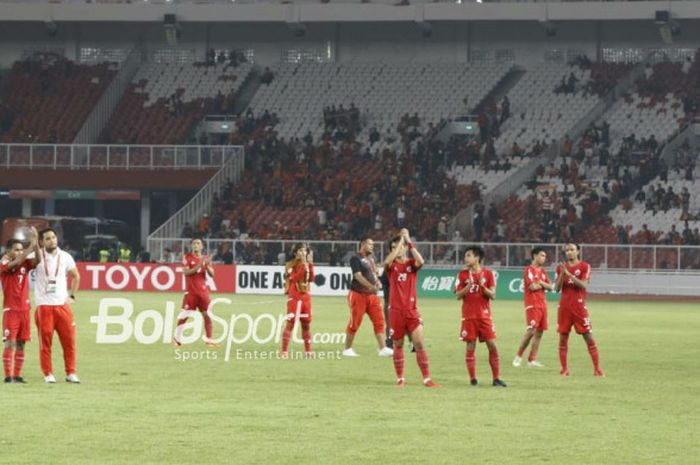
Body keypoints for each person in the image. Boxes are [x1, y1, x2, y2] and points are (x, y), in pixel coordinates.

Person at [384, 228, 438, 388]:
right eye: (393, 248)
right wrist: (400, 241)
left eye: (399, 247)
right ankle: (400, 378)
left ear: (406, 248)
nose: (397, 250)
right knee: (398, 345)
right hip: (395, 312)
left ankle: (427, 379)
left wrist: (408, 241)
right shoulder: (391, 267)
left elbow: (421, 261)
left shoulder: (410, 265)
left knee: (419, 344)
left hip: (411, 311)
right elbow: (386, 262)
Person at [454, 246, 506, 387]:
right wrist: (468, 286)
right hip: (469, 316)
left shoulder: (488, 274)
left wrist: (483, 286)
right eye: (466, 256)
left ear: (477, 258)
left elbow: (493, 295)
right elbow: (458, 295)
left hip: (484, 317)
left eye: (468, 255)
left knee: (493, 346)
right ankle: (473, 379)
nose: (466, 258)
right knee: (470, 347)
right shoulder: (462, 275)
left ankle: (496, 378)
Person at [34, 228, 81, 384]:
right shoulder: (37, 256)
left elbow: (76, 276)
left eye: (53, 237)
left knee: (69, 342)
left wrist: (72, 295)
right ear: (41, 242)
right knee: (45, 343)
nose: (52, 240)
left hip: (62, 306)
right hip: (44, 306)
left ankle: (71, 373)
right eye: (47, 238)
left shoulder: (66, 257)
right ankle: (48, 373)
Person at [554, 243, 603, 377]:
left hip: (579, 308)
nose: (569, 252)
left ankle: (597, 369)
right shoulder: (560, 268)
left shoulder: (584, 266)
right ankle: (564, 369)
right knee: (563, 338)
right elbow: (557, 288)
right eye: (567, 250)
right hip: (564, 308)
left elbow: (583, 284)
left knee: (588, 337)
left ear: (578, 252)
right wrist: (562, 274)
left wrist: (569, 274)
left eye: (572, 250)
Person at [342, 237, 393, 357]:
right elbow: (358, 276)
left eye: (373, 244)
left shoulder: (371, 259)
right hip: (358, 295)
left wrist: (378, 282)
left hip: (372, 296)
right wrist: (371, 286)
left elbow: (374, 274)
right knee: (355, 322)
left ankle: (383, 348)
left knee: (379, 321)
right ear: (363, 244)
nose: (372, 246)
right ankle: (347, 349)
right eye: (370, 244)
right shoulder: (356, 258)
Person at [1, 231, 38, 383]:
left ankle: (17, 375)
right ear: (8, 251)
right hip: (11, 310)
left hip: (25, 310)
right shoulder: (3, 263)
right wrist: (32, 245)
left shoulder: (24, 263)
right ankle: (7, 376)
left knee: (22, 343)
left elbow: (37, 262)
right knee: (10, 342)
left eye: (21, 249)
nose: (20, 252)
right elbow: (15, 263)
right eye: (16, 249)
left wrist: (36, 245)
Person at [173, 238, 219, 349]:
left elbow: (212, 274)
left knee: (207, 316)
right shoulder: (187, 257)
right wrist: (199, 265)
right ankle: (177, 338)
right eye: (194, 243)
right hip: (191, 293)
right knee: (185, 315)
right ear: (191, 245)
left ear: (202, 246)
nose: (196, 245)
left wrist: (207, 265)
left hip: (203, 293)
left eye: (198, 243)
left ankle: (209, 340)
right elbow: (186, 272)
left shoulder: (206, 259)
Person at [513, 247, 552, 368]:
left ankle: (531, 360)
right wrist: (541, 284)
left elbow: (550, 287)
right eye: (541, 255)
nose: (543, 258)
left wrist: (539, 282)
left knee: (539, 333)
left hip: (542, 304)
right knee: (531, 331)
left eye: (545, 256)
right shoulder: (529, 270)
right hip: (532, 304)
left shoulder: (543, 272)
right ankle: (518, 356)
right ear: (534, 256)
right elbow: (532, 287)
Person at [281, 243, 314, 358]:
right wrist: (305, 266)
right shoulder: (289, 265)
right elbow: (295, 278)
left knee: (306, 325)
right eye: (300, 250)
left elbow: (311, 279)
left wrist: (310, 265)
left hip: (306, 298)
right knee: (290, 323)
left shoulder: (307, 264)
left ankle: (308, 352)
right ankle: (284, 352)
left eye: (304, 251)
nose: (303, 253)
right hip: (294, 297)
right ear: (295, 253)